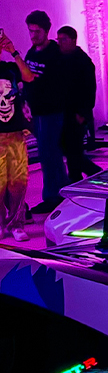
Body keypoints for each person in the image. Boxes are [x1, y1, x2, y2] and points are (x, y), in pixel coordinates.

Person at [24, 10, 69, 214]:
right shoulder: (32, 53)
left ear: (46, 31)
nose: (33, 35)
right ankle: (56, 194)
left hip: (51, 111)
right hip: (37, 112)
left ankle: (55, 196)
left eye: (37, 31)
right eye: (30, 31)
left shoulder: (55, 53)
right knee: (47, 153)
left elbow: (59, 84)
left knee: (51, 153)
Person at [0, 30, 34, 241]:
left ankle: (16, 224)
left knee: (18, 183)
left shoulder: (10, 69)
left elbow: (29, 76)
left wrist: (13, 52)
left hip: (14, 134)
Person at [57, 26, 102, 182]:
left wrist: (82, 114)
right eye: (58, 39)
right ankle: (83, 177)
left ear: (73, 40)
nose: (60, 43)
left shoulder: (83, 62)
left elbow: (90, 89)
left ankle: (90, 174)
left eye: (63, 39)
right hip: (64, 112)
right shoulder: (61, 59)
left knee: (73, 151)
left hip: (77, 114)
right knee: (71, 150)